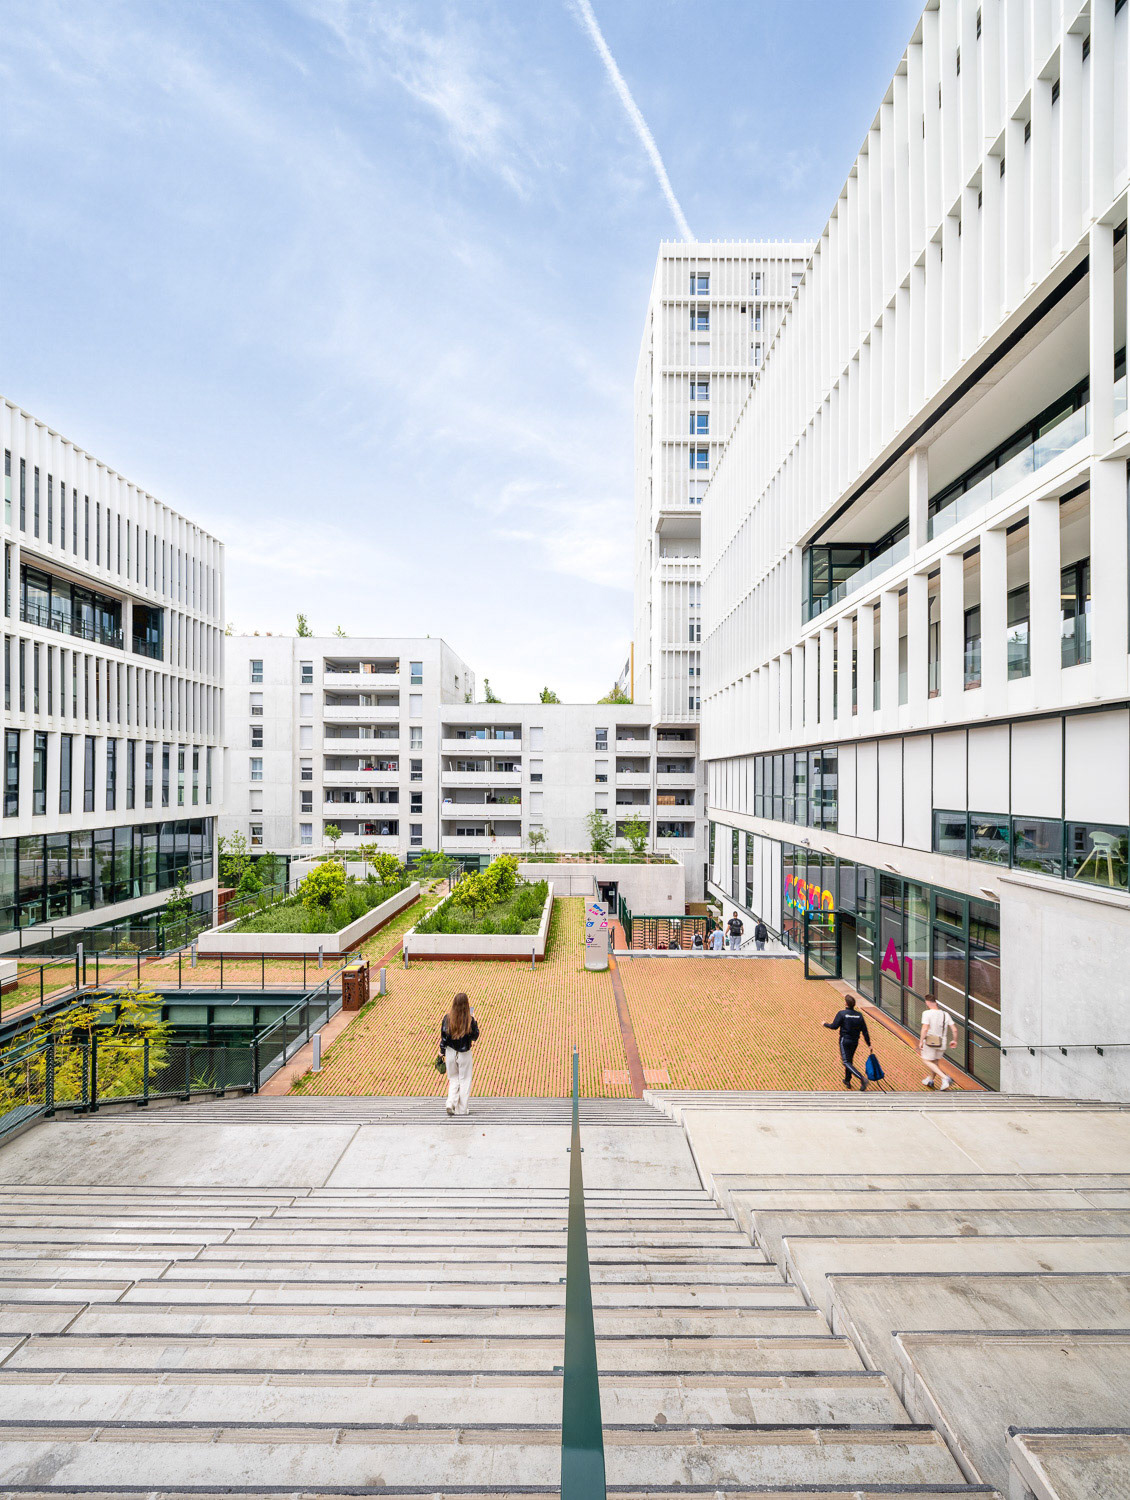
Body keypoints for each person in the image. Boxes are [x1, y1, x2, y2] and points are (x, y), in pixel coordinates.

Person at [441, 992, 479, 1116]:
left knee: (453, 1079)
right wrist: (475, 1021)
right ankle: (462, 1110)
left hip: (450, 1052)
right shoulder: (469, 1020)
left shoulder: (447, 1018)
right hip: (464, 1053)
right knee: (465, 1080)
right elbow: (475, 1037)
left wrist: (442, 1052)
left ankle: (450, 1102)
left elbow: (444, 1038)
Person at [824, 996, 871, 1090]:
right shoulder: (859, 1016)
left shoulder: (842, 1014)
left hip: (844, 1040)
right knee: (849, 1060)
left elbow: (834, 1026)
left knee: (846, 1062)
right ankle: (847, 1080)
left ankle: (861, 1078)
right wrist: (869, 1044)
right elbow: (865, 1031)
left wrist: (825, 1024)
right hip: (854, 1041)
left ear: (846, 1004)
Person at [919, 995, 955, 1090]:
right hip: (942, 1042)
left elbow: (925, 1028)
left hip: (931, 1041)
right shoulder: (945, 1014)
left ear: (927, 1002)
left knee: (925, 1060)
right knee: (934, 1062)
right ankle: (930, 1080)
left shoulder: (927, 1013)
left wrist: (921, 1041)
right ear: (936, 1002)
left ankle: (945, 1078)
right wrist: (954, 1040)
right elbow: (954, 1029)